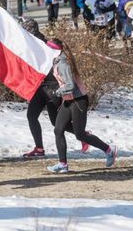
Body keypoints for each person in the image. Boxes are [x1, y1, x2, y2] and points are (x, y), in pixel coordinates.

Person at [20, 19, 89, 158]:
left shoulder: (45, 45)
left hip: (53, 88)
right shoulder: (28, 45)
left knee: (55, 122)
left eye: (26, 31)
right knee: (31, 116)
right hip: (40, 87)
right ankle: (39, 148)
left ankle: (83, 135)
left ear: (31, 31)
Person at [46, 38, 118, 173]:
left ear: (55, 50)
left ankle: (109, 150)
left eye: (49, 48)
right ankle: (62, 164)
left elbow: (70, 85)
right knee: (58, 129)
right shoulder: (57, 61)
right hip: (69, 100)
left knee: (80, 135)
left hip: (78, 101)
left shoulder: (62, 62)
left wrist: (56, 92)